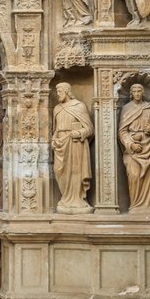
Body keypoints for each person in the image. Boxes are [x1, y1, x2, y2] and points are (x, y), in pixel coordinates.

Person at [118, 84, 150, 213]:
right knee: (134, 175)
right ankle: (135, 204)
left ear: (143, 93)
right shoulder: (126, 108)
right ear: (131, 93)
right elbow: (122, 131)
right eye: (134, 91)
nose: (137, 93)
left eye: (139, 91)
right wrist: (131, 144)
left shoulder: (149, 108)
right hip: (133, 149)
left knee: (149, 176)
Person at [51, 83, 94, 213]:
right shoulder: (57, 109)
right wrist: (54, 140)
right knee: (59, 170)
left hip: (76, 144)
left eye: (59, 91)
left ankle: (78, 200)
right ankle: (65, 198)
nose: (57, 94)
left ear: (66, 91)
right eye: (57, 91)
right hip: (61, 144)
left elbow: (90, 129)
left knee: (76, 171)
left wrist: (79, 133)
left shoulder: (79, 106)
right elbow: (55, 129)